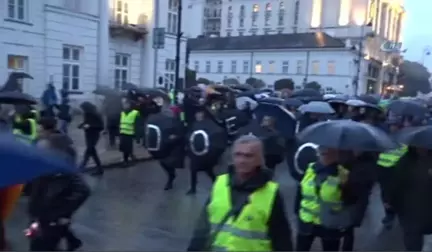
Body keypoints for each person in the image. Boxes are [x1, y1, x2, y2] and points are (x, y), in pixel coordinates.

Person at [187, 135, 293, 251]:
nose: (242, 160)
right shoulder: (219, 183)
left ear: (260, 159)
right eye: (238, 154)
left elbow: (282, 239)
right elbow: (203, 228)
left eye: (248, 156)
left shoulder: (271, 193)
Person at [28, 133, 90, 251]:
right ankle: (73, 242)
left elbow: (83, 191)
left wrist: (61, 210)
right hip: (39, 217)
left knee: (42, 246)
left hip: (52, 219)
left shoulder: (63, 169)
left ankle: (72, 242)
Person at [294, 147, 355, 252]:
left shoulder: (342, 174)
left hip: (329, 225)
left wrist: (345, 186)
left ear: (337, 154)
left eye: (329, 149)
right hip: (306, 221)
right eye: (321, 148)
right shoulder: (310, 168)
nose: (324, 151)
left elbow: (351, 200)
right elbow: (300, 192)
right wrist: (297, 212)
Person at [387, 146, 432, 251]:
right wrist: (391, 202)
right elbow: (395, 184)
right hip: (410, 211)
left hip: (428, 209)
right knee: (413, 243)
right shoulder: (405, 162)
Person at [187, 110, 216, 195]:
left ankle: (216, 183)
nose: (197, 117)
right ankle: (193, 188)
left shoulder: (208, 125)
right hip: (195, 151)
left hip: (204, 152)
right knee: (193, 171)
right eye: (197, 115)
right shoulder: (194, 125)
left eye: (199, 115)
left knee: (209, 171)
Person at [78, 102, 104, 175]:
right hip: (88, 134)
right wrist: (81, 125)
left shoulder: (96, 114)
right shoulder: (87, 114)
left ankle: (82, 165)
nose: (82, 110)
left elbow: (101, 126)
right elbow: (86, 122)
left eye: (83, 109)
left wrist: (90, 126)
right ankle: (99, 169)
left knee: (90, 150)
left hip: (94, 135)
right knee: (92, 151)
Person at [119, 99, 140, 166]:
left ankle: (126, 161)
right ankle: (132, 158)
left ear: (129, 105)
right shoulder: (122, 113)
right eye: (123, 104)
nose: (124, 106)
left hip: (130, 133)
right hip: (123, 133)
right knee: (123, 148)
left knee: (127, 148)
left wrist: (137, 137)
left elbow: (138, 125)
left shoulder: (135, 113)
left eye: (125, 104)